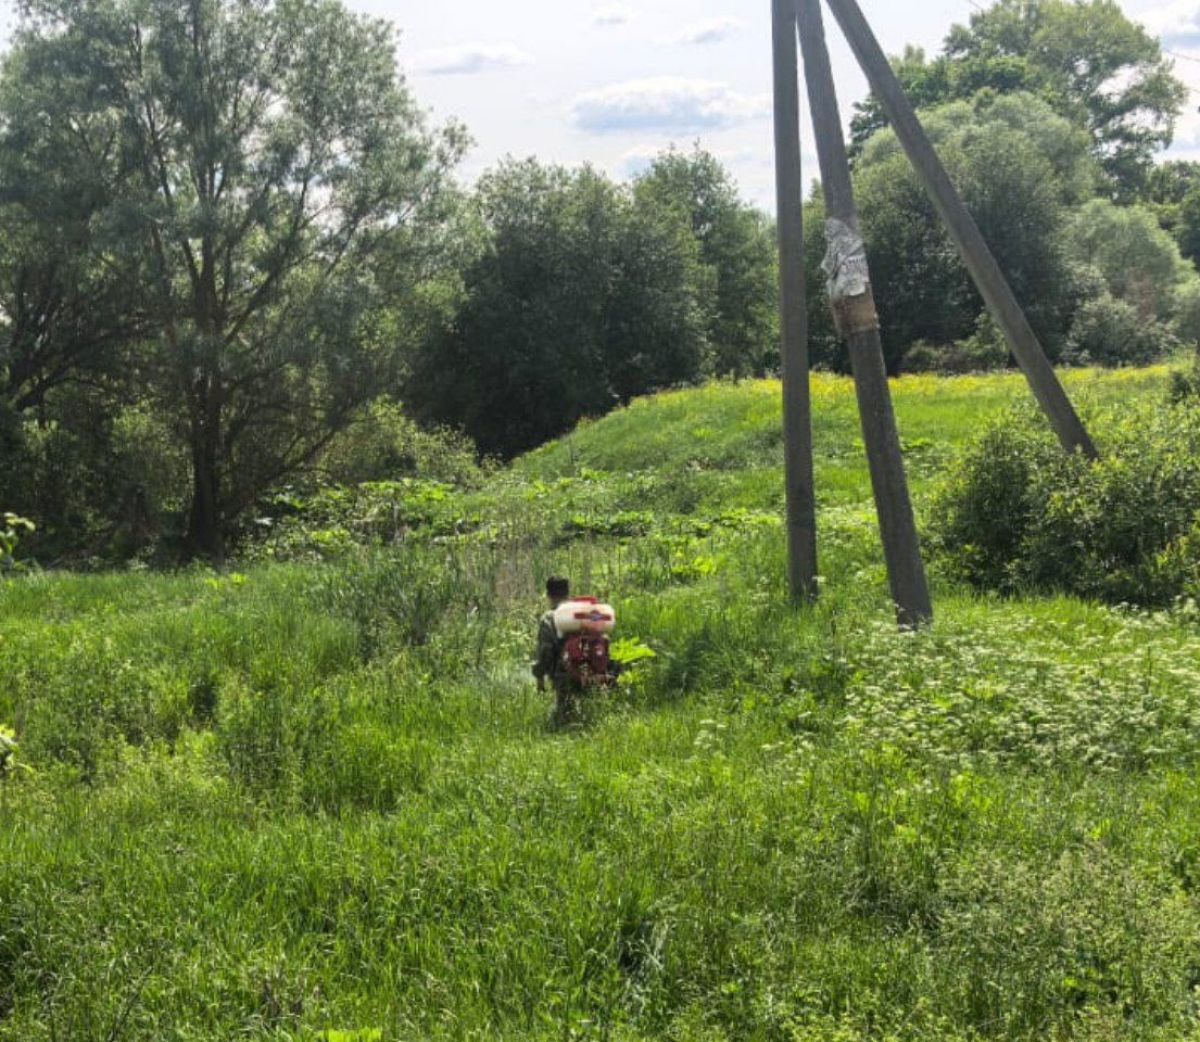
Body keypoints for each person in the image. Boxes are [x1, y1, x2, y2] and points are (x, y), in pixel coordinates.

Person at [532, 576, 578, 727]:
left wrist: (540, 678)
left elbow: (545, 650)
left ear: (549, 595)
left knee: (562, 716)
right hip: (589, 668)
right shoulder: (580, 612)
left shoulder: (549, 617)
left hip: (563, 671)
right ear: (567, 593)